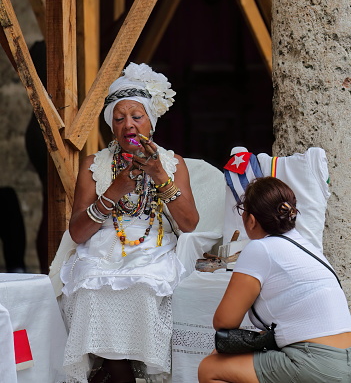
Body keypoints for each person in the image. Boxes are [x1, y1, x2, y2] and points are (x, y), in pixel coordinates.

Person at [60, 62, 199, 383]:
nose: (129, 125)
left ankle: (135, 371)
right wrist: (116, 188)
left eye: (137, 116)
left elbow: (190, 223)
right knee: (91, 285)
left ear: (151, 121)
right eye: (119, 118)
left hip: (154, 245)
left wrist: (160, 175)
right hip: (101, 246)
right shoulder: (94, 164)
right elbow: (78, 232)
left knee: (146, 284)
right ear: (111, 125)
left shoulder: (171, 162)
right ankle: (118, 370)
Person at [198, 176, 351, 383]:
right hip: (344, 358)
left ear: (251, 220)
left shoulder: (260, 248)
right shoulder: (308, 247)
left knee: (210, 368)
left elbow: (224, 321)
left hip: (317, 362)